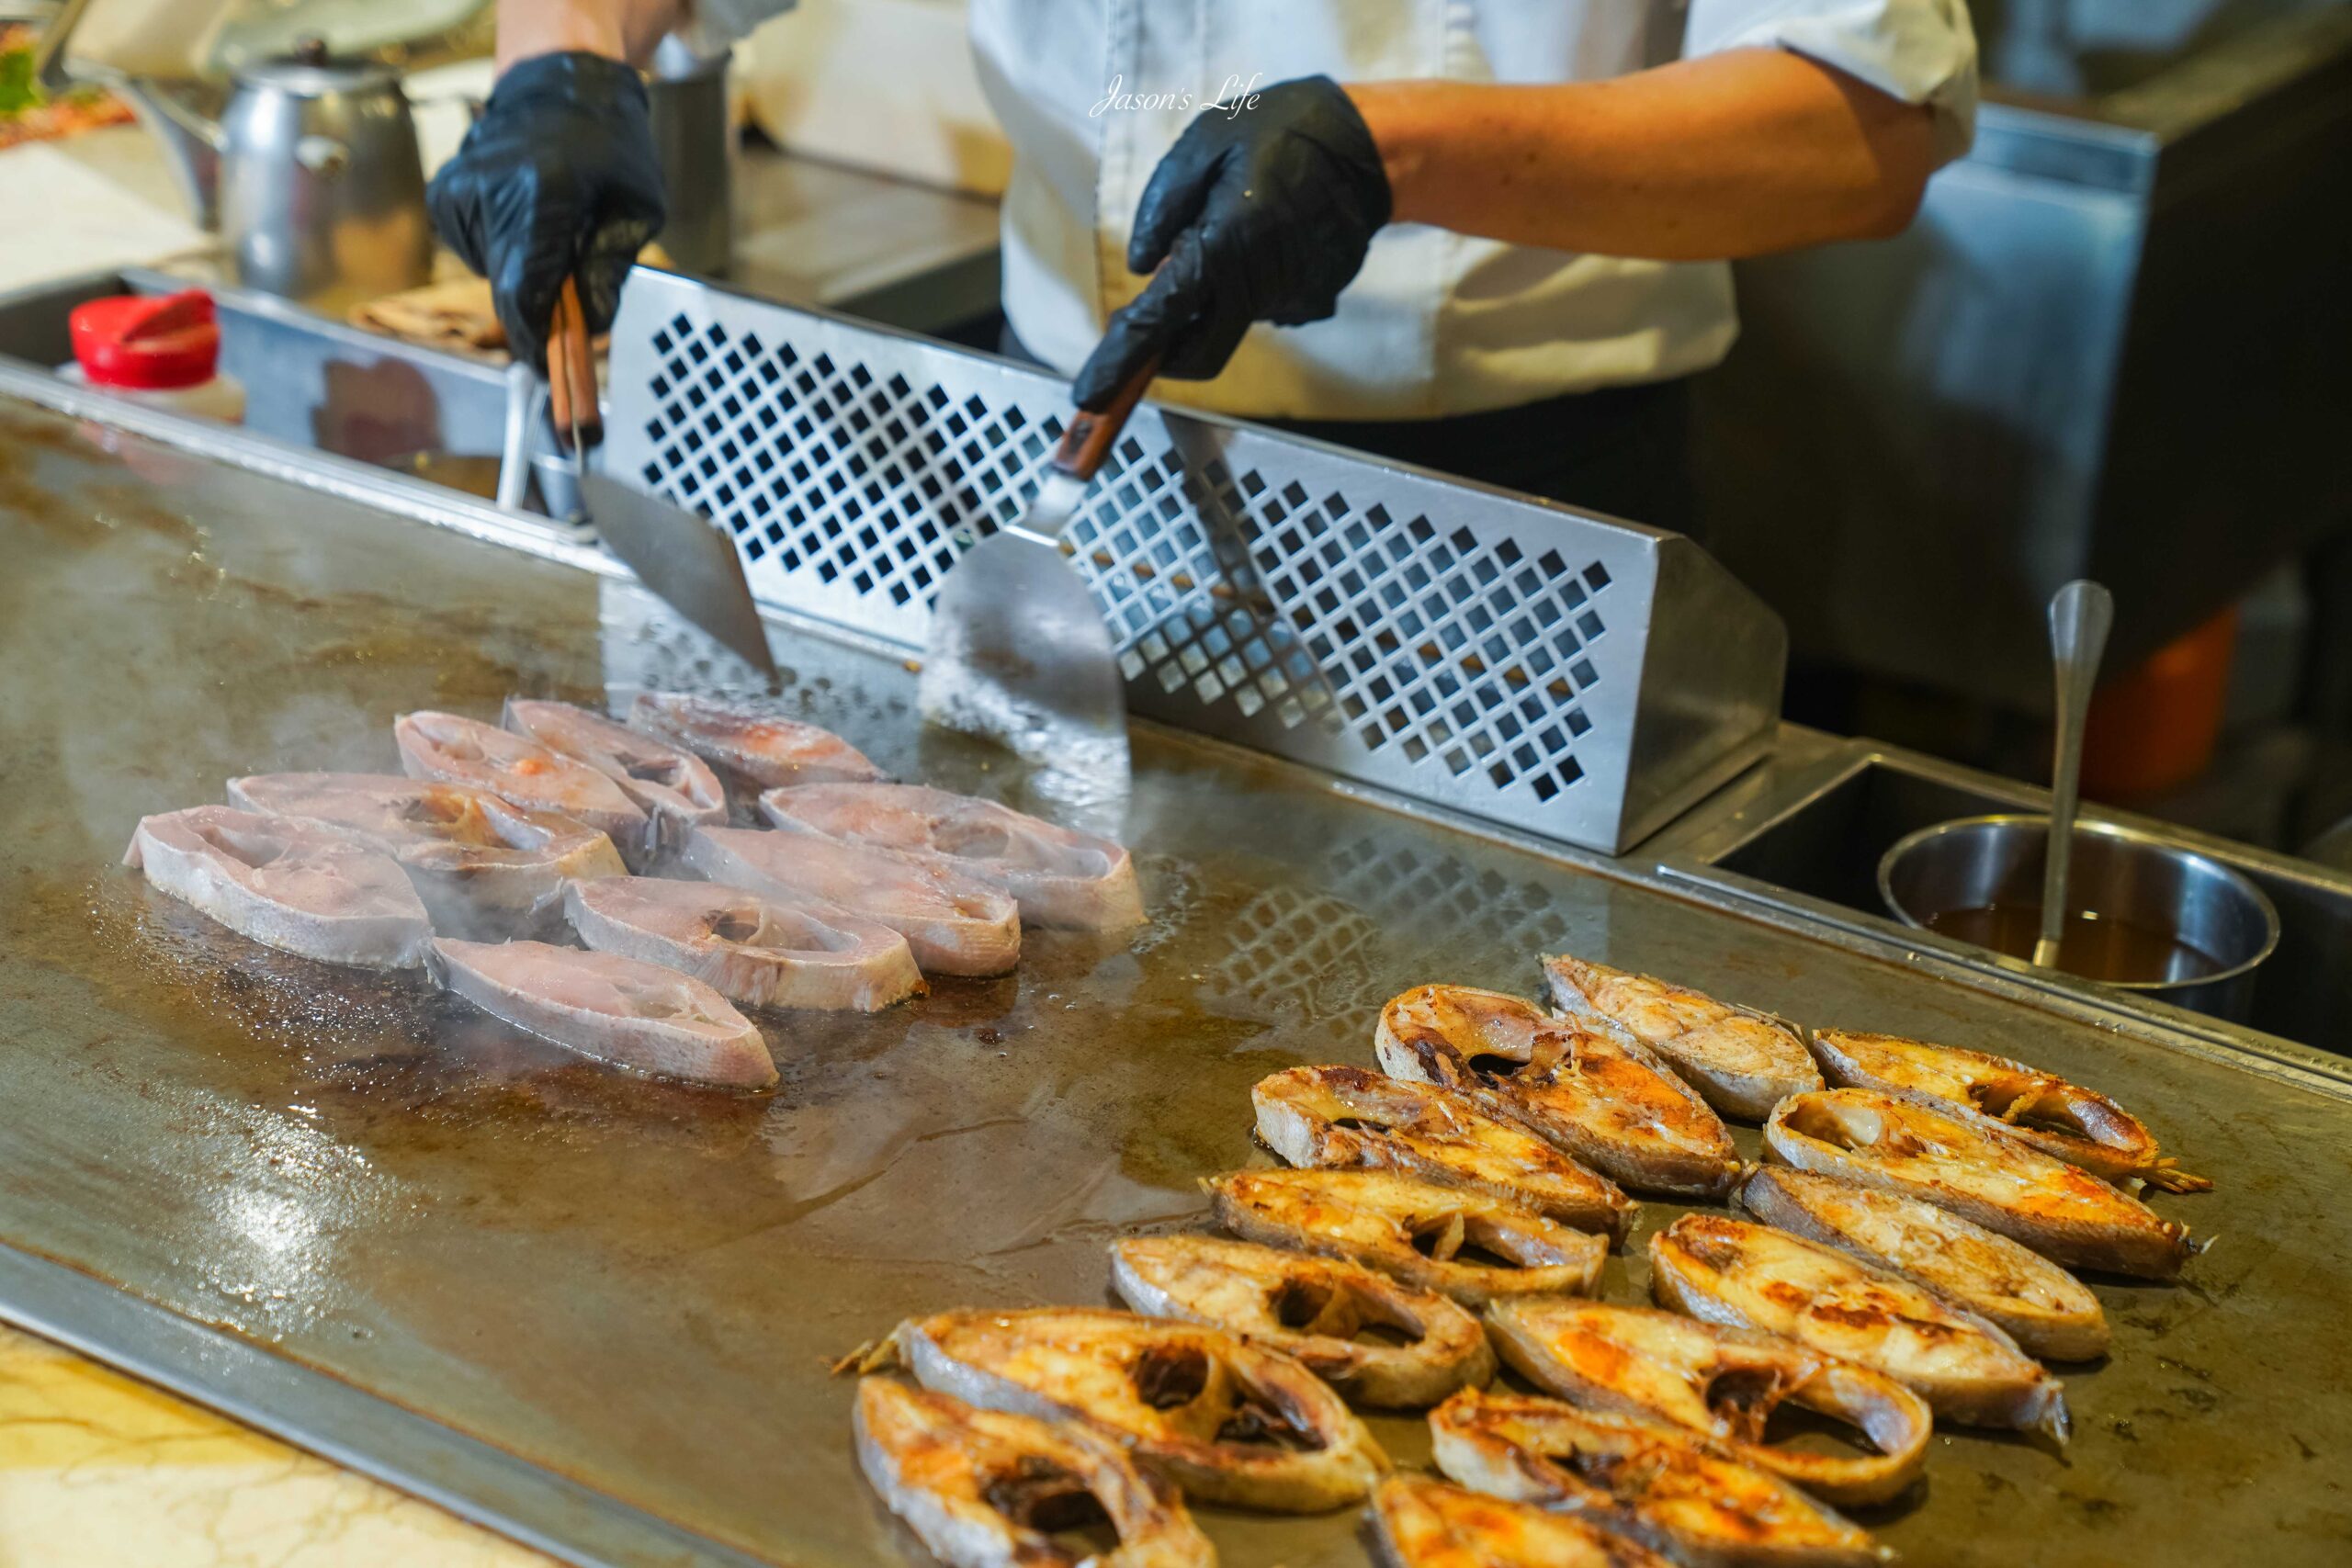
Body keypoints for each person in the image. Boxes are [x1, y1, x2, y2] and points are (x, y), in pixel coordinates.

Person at [429, 1, 1976, 530]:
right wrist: (565, 66)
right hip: (1062, 472)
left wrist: (1392, 155)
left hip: (1511, 525)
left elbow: (1869, 120)